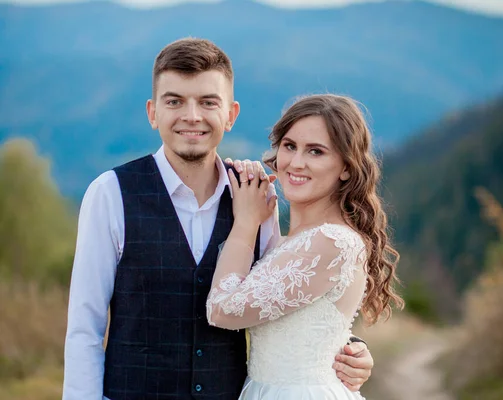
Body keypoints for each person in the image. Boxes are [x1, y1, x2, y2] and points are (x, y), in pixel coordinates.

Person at [62, 38, 374, 400]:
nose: (191, 116)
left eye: (208, 102)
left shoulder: (257, 195)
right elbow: (85, 327)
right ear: (152, 113)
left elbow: (290, 299)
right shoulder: (110, 193)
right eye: (174, 101)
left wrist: (348, 346)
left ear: (230, 115)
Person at [206, 94, 403, 399]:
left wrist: (245, 223)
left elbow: (222, 310)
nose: (296, 163)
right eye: (290, 146)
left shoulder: (331, 242)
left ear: (346, 168)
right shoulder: (293, 241)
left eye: (316, 151)